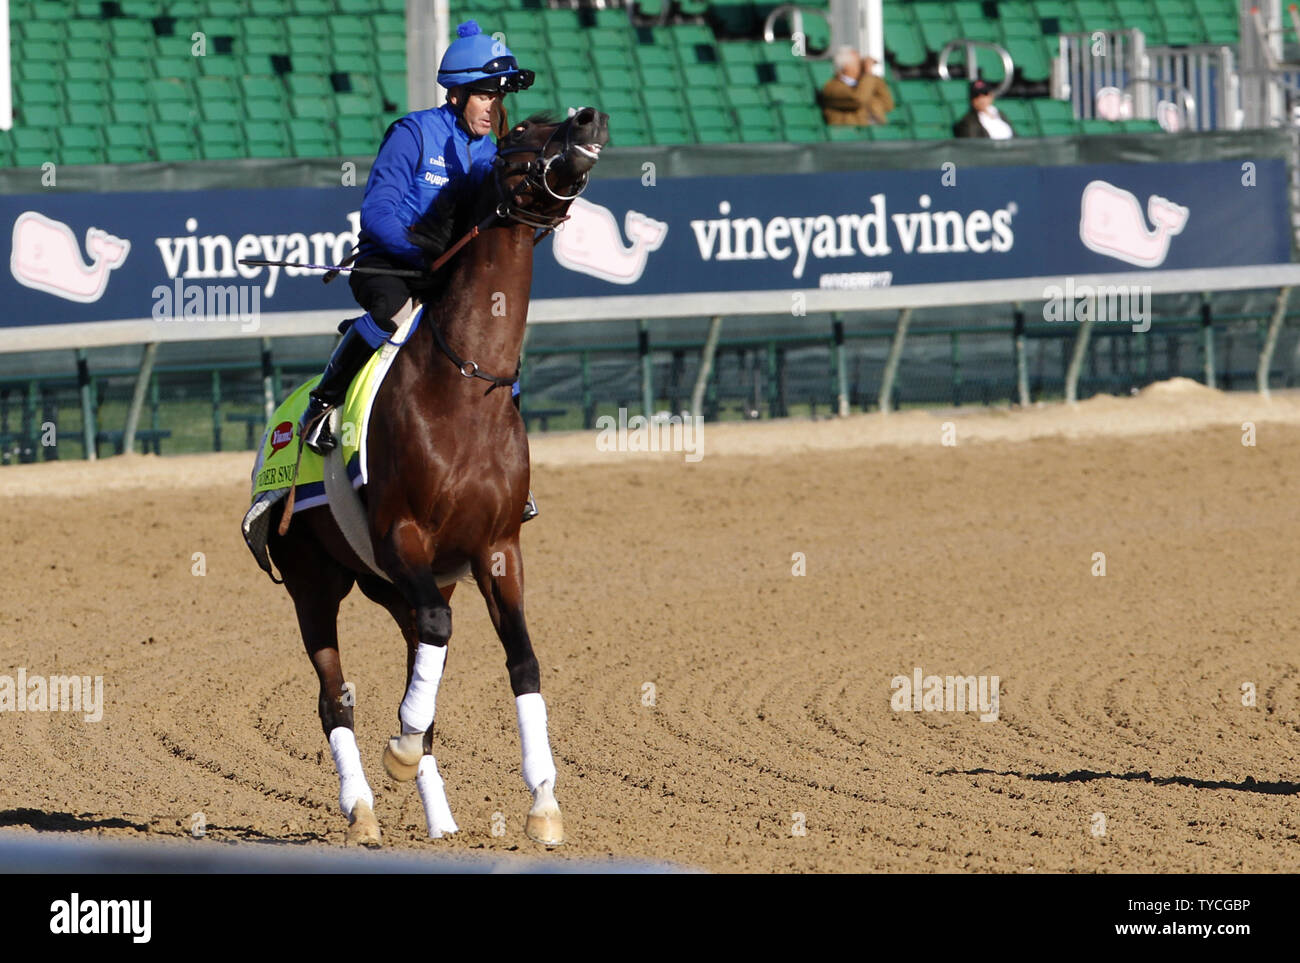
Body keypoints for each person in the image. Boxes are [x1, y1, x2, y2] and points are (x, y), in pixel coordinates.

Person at [297, 19, 539, 520]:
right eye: (484, 96)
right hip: (392, 268)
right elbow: (377, 214)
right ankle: (322, 403)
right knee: (394, 316)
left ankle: (507, 471)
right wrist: (421, 255)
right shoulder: (412, 133)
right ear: (456, 94)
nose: (493, 106)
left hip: (447, 278)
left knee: (497, 347)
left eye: (498, 97)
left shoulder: (491, 153)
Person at [820, 47, 894, 126]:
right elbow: (858, 99)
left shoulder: (865, 85)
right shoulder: (832, 88)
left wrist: (871, 76)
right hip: (849, 134)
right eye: (858, 62)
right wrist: (868, 73)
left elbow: (887, 104)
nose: (862, 66)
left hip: (874, 133)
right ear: (846, 66)